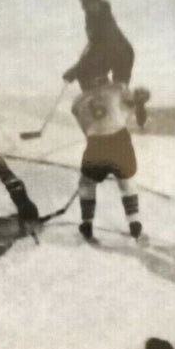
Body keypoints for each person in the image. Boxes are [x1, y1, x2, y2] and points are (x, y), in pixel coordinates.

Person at [71, 77, 150, 241]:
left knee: (86, 183)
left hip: (95, 143)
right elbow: (140, 116)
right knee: (126, 180)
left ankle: (87, 223)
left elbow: (85, 127)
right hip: (119, 139)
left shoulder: (78, 101)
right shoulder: (118, 88)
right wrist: (141, 103)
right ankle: (134, 222)